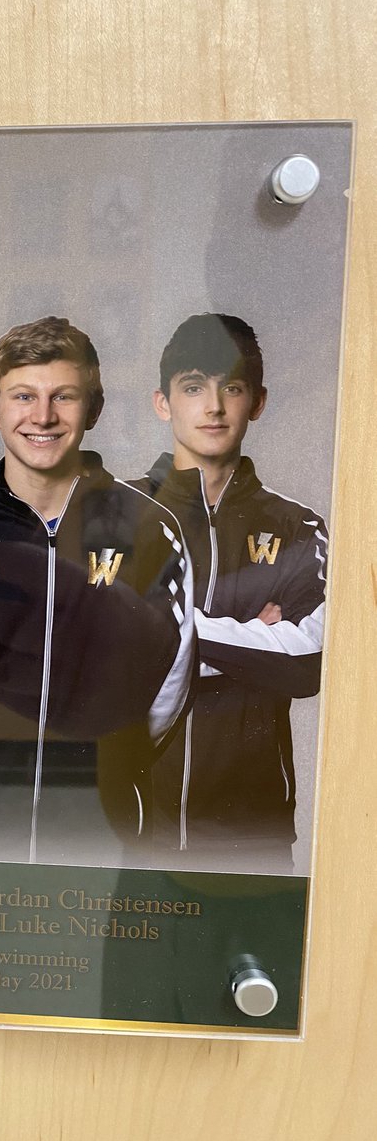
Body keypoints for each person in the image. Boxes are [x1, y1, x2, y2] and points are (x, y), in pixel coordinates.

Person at [0, 316, 195, 865]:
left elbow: (169, 684)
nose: (43, 416)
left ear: (94, 409)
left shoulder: (151, 532)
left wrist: (111, 760)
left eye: (64, 396)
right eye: (23, 396)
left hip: (103, 838)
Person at [133, 313, 327, 870]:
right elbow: (86, 647)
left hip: (252, 832)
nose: (213, 406)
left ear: (257, 402)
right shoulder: (110, 515)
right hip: (132, 822)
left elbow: (308, 660)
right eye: (193, 387)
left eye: (232, 387)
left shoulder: (298, 528)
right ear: (163, 402)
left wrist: (165, 629)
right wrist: (251, 640)